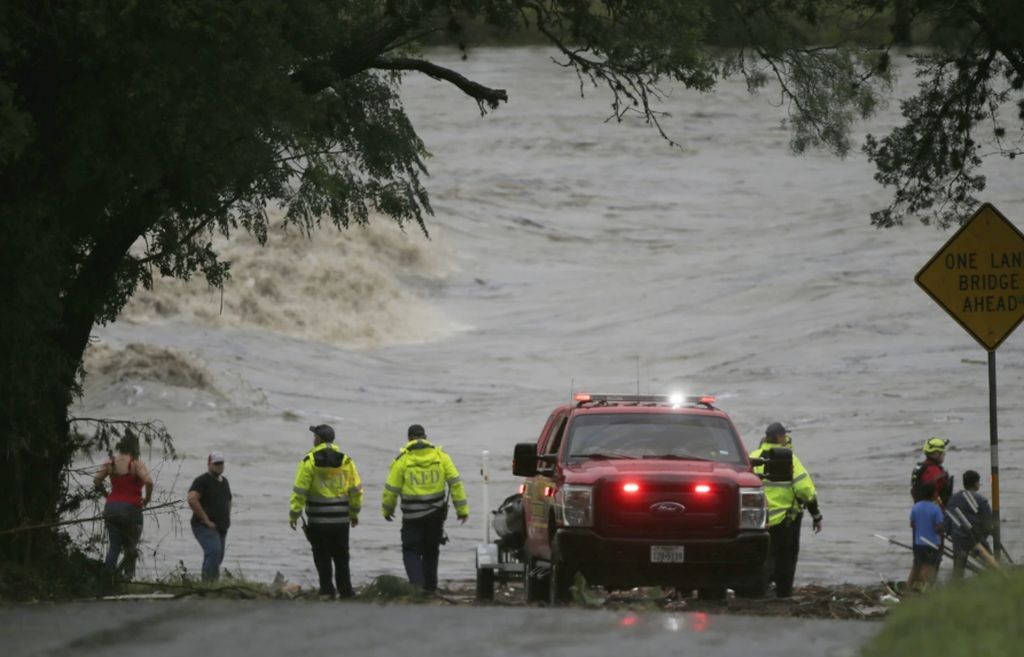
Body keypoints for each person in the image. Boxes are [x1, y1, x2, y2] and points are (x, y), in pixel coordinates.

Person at [382, 424, 469, 593]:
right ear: (425, 437)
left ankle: (417, 586)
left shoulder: (402, 461)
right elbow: (455, 483)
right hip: (435, 515)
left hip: (412, 517)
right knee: (431, 551)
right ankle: (430, 588)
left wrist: (387, 510)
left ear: (409, 439)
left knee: (411, 550)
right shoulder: (441, 457)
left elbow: (391, 490)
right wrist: (462, 510)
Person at [749, 421, 822, 598]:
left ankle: (756, 593)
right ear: (780, 438)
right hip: (786, 521)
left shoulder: (753, 457)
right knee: (786, 562)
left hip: (757, 521)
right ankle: (783, 595)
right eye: (785, 435)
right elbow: (805, 491)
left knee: (760, 560)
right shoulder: (790, 459)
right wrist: (816, 514)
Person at [289, 424, 362, 599]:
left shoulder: (309, 460)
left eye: (314, 436)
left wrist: (294, 513)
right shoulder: (346, 460)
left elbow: (300, 490)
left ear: (319, 439)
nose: (313, 439)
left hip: (318, 519)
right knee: (342, 556)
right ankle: (345, 591)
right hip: (340, 519)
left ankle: (327, 590)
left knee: (322, 555)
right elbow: (356, 490)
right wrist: (354, 514)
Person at [93, 431, 153, 580]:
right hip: (131, 509)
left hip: (111, 507)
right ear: (135, 448)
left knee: (114, 546)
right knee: (130, 547)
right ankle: (127, 577)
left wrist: (107, 496)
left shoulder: (110, 463)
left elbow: (96, 480)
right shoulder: (136, 464)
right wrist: (146, 499)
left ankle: (107, 579)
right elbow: (149, 482)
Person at [187, 451, 232, 582]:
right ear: (209, 464)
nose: (219, 466)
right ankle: (207, 585)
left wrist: (227, 517)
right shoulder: (202, 481)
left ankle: (212, 585)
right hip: (203, 525)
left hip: (221, 526)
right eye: (216, 463)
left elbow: (228, 500)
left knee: (218, 557)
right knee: (214, 551)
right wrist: (206, 519)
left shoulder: (225, 482)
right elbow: (192, 499)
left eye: (221, 463)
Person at [945, 469, 993, 579]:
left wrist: (950, 533)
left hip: (958, 537)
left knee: (958, 566)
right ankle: (996, 580)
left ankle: (957, 588)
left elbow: (948, 518)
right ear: (976, 483)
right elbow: (988, 521)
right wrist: (984, 535)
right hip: (976, 537)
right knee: (989, 561)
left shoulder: (953, 499)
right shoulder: (981, 500)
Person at [908, 481, 945, 591]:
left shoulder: (916, 507)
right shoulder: (936, 508)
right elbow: (939, 527)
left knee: (916, 566)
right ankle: (926, 590)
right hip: (932, 543)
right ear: (934, 494)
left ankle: (908, 588)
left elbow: (912, 524)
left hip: (918, 543)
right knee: (929, 567)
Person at [911, 437, 953, 507]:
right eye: (942, 452)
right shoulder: (933, 471)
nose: (944, 454)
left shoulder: (920, 467)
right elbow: (934, 495)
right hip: (933, 512)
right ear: (935, 453)